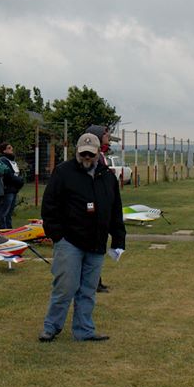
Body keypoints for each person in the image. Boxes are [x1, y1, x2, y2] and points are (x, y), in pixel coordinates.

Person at [39, 133, 125, 342]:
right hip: (69, 241)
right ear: (77, 151)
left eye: (91, 154)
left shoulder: (108, 177)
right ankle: (51, 327)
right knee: (65, 287)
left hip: (96, 243)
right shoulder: (63, 172)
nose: (87, 157)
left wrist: (118, 239)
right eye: (83, 153)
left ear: (98, 153)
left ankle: (84, 330)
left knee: (88, 290)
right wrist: (57, 235)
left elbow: (115, 210)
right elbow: (49, 206)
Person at [85, 124, 115, 293]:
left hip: (101, 208)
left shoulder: (102, 155)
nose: (108, 138)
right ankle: (93, 281)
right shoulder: (92, 157)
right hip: (91, 208)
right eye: (106, 135)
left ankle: (97, 280)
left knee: (98, 246)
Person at [0, 142, 24, 229]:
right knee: (4, 211)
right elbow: (8, 175)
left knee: (9, 212)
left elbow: (16, 173)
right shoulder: (3, 160)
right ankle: (3, 229)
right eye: (9, 148)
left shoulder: (12, 161)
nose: (11, 149)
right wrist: (19, 180)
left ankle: (9, 229)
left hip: (13, 188)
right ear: (4, 151)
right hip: (7, 189)